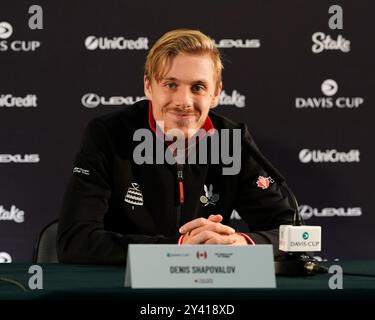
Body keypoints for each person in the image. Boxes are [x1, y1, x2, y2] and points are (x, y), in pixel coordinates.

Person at [57, 29, 294, 264]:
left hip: (205, 287)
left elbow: (294, 235)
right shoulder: (109, 134)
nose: (184, 101)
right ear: (149, 87)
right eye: (171, 85)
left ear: (216, 93)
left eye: (198, 87)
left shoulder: (232, 140)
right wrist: (178, 248)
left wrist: (240, 244)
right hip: (125, 287)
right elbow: (75, 241)